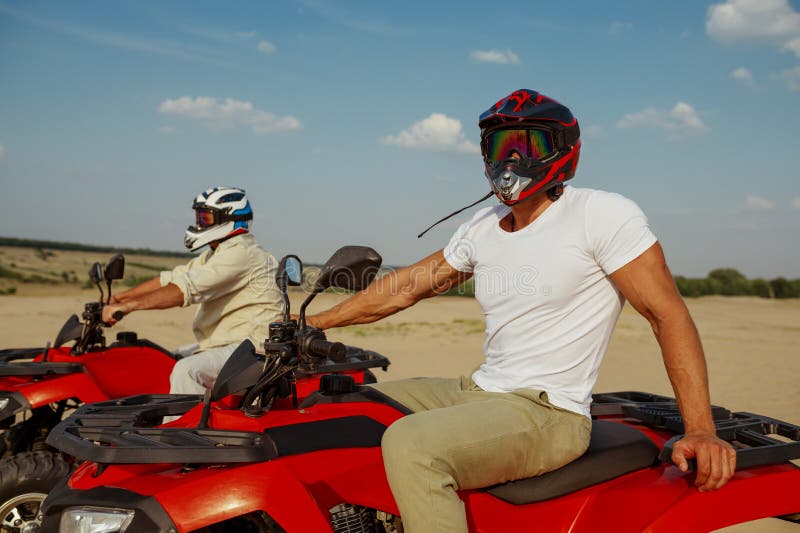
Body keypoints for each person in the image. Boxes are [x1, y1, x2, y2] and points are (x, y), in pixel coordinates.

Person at [306, 89, 737, 532]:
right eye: (500, 145)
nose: (510, 159)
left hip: (549, 412)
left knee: (412, 445)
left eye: (527, 145)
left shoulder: (601, 215)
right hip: (479, 389)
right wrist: (312, 323)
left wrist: (700, 428)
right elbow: (405, 287)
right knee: (349, 407)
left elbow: (667, 314)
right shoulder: (483, 225)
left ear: (565, 149)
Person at [102, 186, 284, 395]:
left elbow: (183, 290)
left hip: (253, 349)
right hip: (230, 344)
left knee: (186, 371)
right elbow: (171, 278)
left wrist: (128, 307)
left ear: (228, 218)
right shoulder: (218, 252)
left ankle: (184, 428)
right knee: (162, 359)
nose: (199, 224)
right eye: (199, 217)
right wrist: (118, 298)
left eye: (205, 218)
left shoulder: (242, 253)